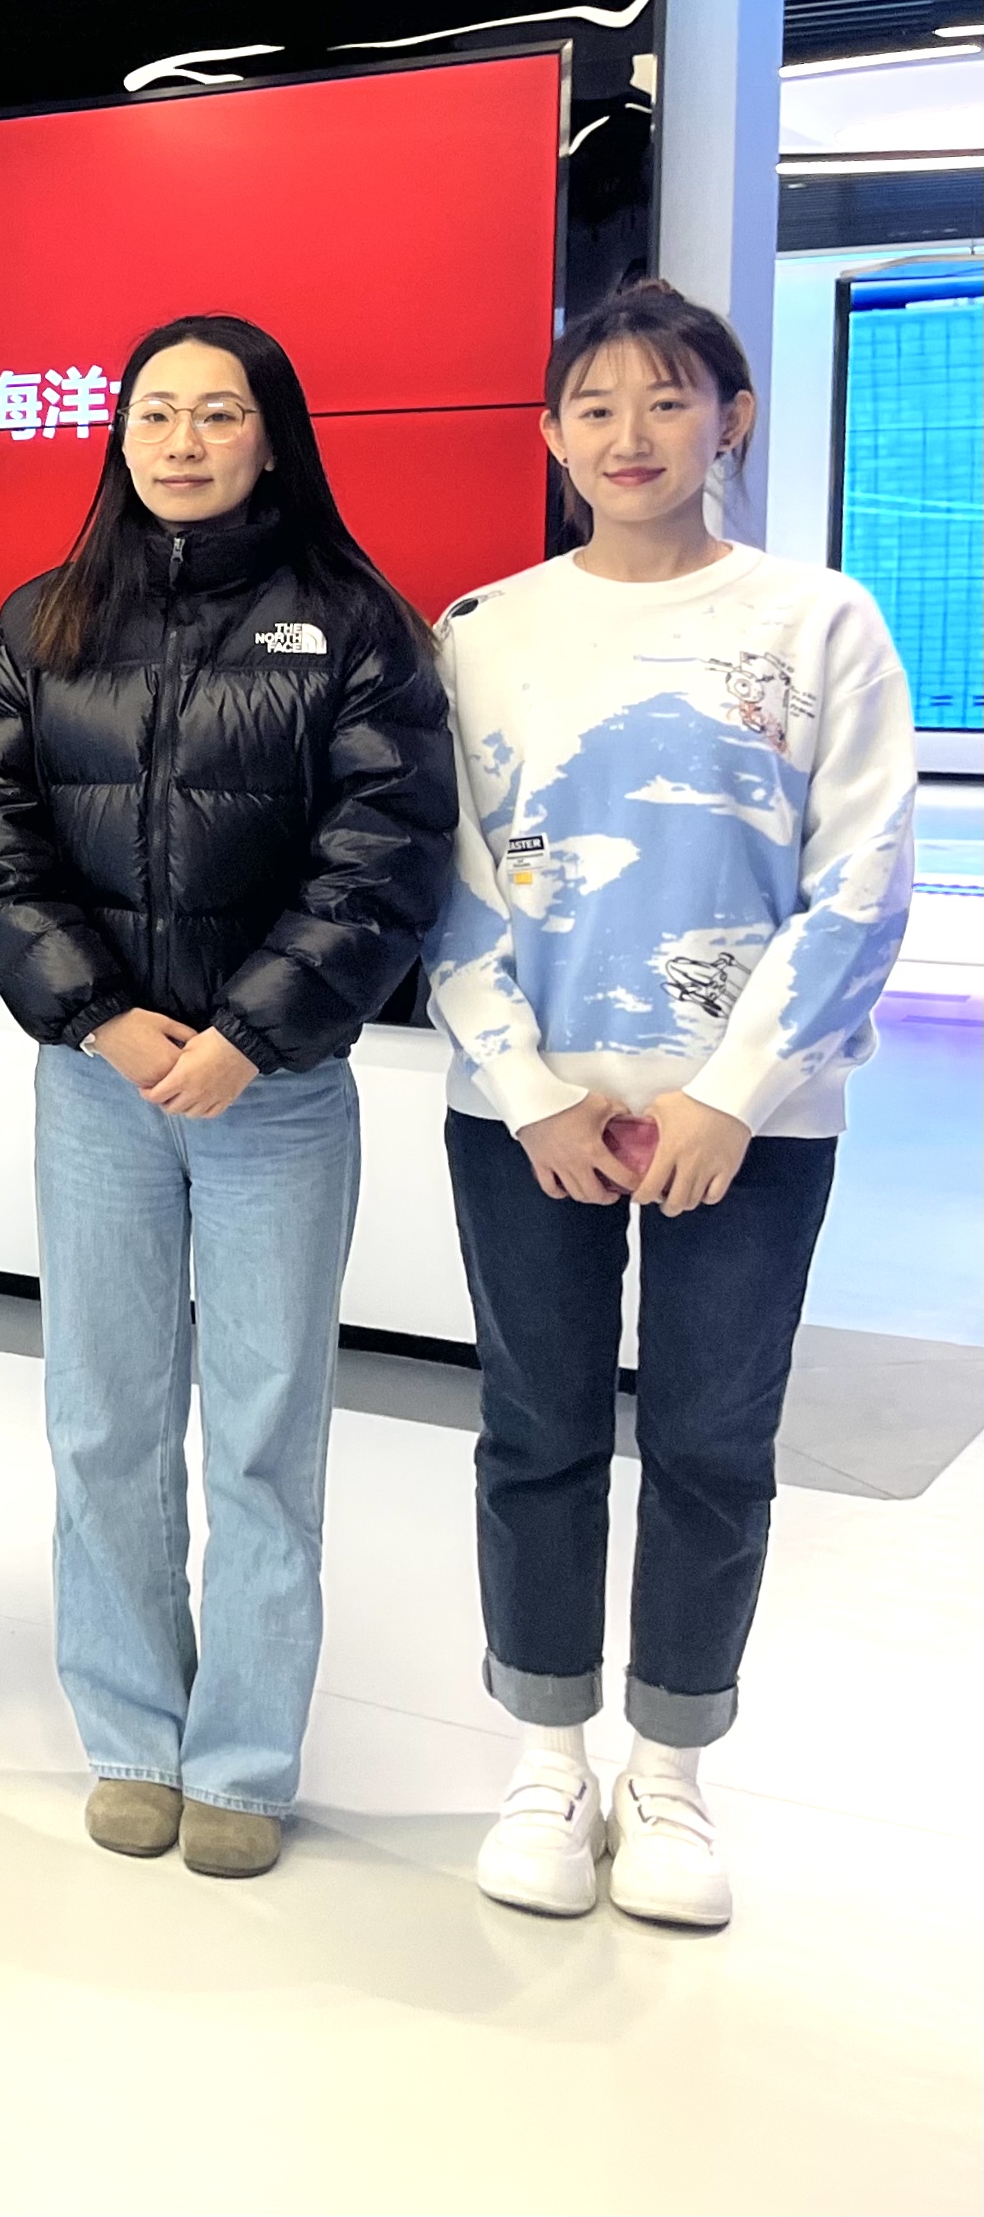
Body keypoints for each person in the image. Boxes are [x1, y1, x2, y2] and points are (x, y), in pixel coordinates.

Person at [428, 281, 913, 1931]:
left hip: (749, 1128)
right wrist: (528, 1093)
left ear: (730, 420)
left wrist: (728, 1094)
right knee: (535, 1430)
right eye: (593, 406)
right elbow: (446, 878)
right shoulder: (481, 630)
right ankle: (543, 1758)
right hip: (529, 1118)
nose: (627, 434)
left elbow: (860, 877)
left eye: (663, 399)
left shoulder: (816, 621)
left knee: (711, 1440)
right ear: (550, 435)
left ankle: (668, 1770)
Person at [0, 312, 454, 1878]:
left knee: (258, 1427)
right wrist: (99, 1016)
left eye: (215, 412)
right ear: (117, 435)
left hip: (274, 1089)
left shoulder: (352, 622)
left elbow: (383, 856)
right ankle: (128, 1730)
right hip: (95, 1081)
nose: (180, 440)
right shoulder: (45, 617)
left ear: (268, 433)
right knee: (101, 1415)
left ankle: (240, 1754)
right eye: (154, 411)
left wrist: (245, 1032)